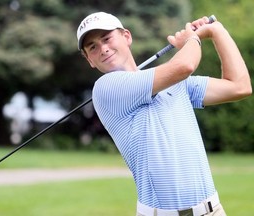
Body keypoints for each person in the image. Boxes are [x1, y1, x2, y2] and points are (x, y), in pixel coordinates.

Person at [76, 12, 252, 216]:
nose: (103, 48)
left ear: (126, 37)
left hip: (212, 210)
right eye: (93, 47)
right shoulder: (106, 88)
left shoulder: (176, 83)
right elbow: (184, 66)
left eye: (106, 38)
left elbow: (239, 87)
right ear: (89, 59)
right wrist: (192, 39)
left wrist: (216, 31)